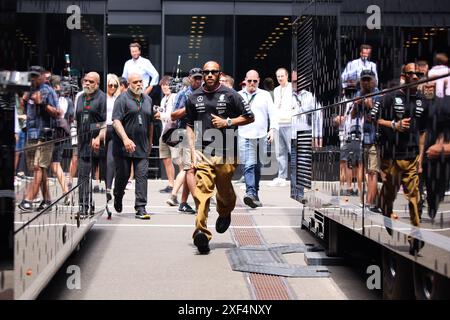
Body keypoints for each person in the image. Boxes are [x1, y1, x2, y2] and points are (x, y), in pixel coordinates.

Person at [186, 61, 254, 254]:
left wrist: (228, 122)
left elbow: (250, 116)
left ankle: (225, 212)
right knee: (202, 192)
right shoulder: (193, 97)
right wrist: (192, 150)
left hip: (227, 152)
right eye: (205, 72)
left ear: (219, 73)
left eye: (212, 72)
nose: (208, 74)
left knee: (224, 190)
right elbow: (189, 125)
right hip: (204, 152)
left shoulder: (231, 95)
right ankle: (201, 233)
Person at [375, 63, 427, 255]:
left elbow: (423, 131)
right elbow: (375, 119)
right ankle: (385, 210)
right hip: (391, 157)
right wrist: (394, 124)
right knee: (389, 194)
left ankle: (415, 236)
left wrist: (420, 159)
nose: (415, 76)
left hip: (412, 155)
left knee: (414, 198)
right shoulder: (390, 96)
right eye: (411, 73)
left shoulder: (422, 100)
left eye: (418, 74)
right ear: (404, 75)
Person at [18, 66, 60, 212]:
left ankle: (28, 200)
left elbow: (58, 113)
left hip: (45, 134)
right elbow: (26, 112)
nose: (33, 79)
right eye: (32, 76)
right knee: (37, 169)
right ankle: (47, 200)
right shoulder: (28, 90)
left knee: (38, 167)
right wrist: (23, 101)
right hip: (31, 134)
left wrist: (42, 103)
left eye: (36, 76)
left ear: (43, 76)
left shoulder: (48, 91)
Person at [112, 73, 154, 219]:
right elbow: (116, 121)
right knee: (123, 176)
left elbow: (150, 123)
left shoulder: (148, 99)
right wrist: (125, 139)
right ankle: (118, 195)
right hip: (123, 147)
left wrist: (150, 141)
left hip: (142, 146)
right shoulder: (122, 99)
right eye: (135, 82)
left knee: (142, 175)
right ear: (129, 84)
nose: (139, 84)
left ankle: (141, 207)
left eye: (141, 81)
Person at [238, 70, 278, 208]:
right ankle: (250, 192)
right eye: (249, 81)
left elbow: (273, 114)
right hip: (244, 134)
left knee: (257, 166)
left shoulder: (265, 95)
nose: (252, 84)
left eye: (255, 81)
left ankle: (255, 194)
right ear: (245, 81)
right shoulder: (238, 95)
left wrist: (272, 130)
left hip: (261, 135)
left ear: (259, 81)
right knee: (249, 164)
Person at [169, 68, 203, 214]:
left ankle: (183, 203)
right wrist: (188, 107)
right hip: (185, 133)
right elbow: (173, 115)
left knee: (194, 170)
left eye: (200, 78)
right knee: (190, 169)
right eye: (195, 78)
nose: (198, 80)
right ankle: (198, 202)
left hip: (201, 133)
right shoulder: (184, 94)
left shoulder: (204, 93)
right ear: (189, 78)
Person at [75, 72, 106, 215]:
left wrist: (97, 134)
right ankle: (83, 205)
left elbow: (106, 122)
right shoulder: (80, 98)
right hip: (83, 143)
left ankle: (103, 205)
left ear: (97, 84)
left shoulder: (102, 98)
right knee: (82, 175)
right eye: (85, 81)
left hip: (99, 142)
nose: (87, 83)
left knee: (101, 176)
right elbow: (78, 119)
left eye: (91, 82)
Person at [270, 67, 294, 187]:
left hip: (289, 122)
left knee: (292, 151)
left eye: (282, 76)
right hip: (278, 123)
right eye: (278, 76)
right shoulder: (275, 90)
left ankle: (295, 176)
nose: (280, 78)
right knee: (280, 152)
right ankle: (282, 176)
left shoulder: (292, 87)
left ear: (287, 76)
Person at [155, 76, 178, 194]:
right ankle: (171, 184)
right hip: (164, 131)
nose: (165, 87)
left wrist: (161, 115)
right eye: (163, 85)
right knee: (166, 158)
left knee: (177, 160)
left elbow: (174, 115)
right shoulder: (163, 99)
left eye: (167, 84)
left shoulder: (175, 97)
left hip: (173, 132)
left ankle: (181, 185)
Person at [105, 74, 121, 203]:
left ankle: (108, 188)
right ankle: (98, 184)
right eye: (110, 85)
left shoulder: (119, 98)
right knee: (100, 159)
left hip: (113, 128)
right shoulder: (101, 98)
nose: (113, 87)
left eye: (115, 85)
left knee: (111, 159)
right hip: (101, 129)